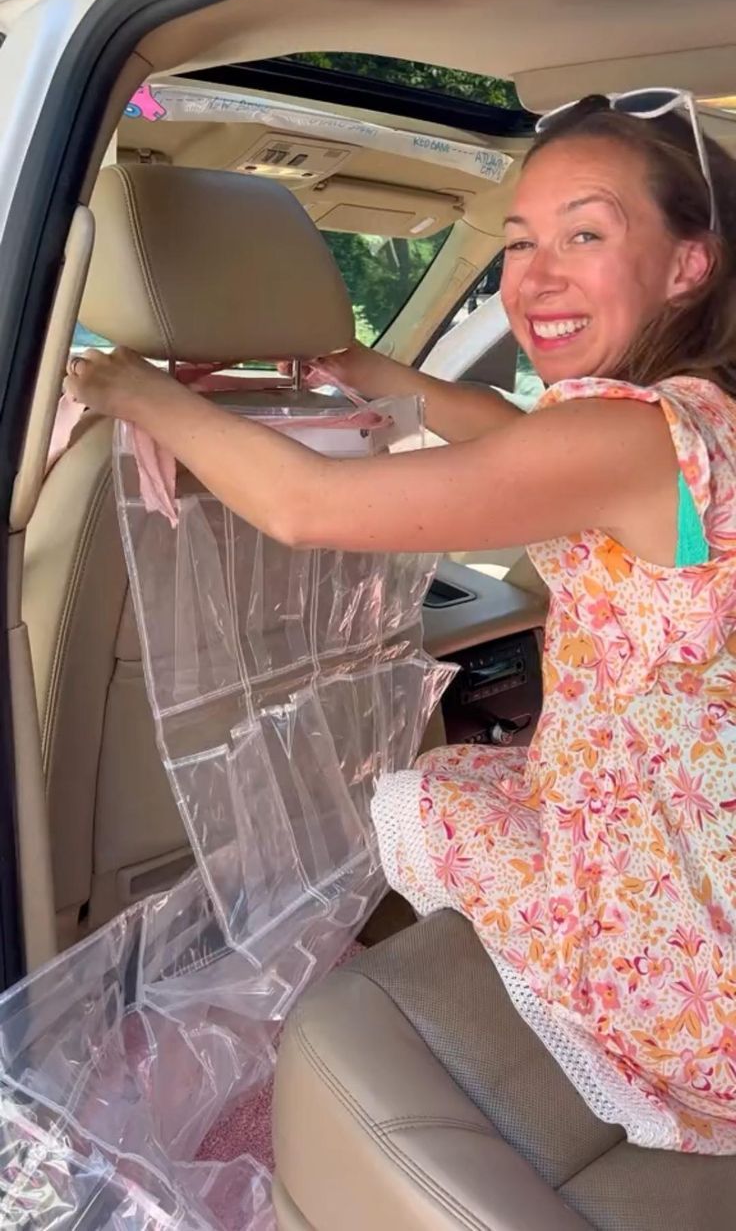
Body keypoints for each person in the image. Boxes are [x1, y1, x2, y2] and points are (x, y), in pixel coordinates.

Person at [66, 91, 736, 1153]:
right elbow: (510, 434)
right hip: (691, 831)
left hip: (686, 944)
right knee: (441, 791)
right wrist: (352, 369)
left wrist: (130, 390)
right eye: (518, 242)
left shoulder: (630, 437)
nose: (535, 275)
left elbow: (309, 508)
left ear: (688, 263)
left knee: (415, 799)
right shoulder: (690, 415)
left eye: (585, 234)